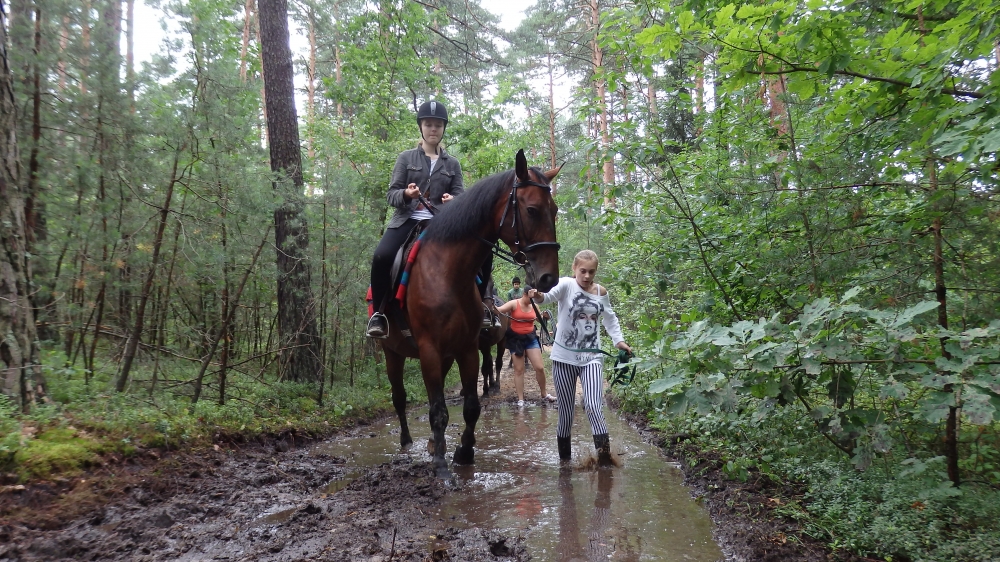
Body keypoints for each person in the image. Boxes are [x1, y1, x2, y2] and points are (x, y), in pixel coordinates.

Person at [366, 101, 492, 337]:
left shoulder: (452, 163)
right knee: (381, 256)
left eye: (438, 125)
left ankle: (484, 305)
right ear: (421, 127)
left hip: (442, 223)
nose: (433, 129)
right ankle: (379, 314)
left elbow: (461, 196)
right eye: (428, 124)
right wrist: (407, 194)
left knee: (484, 252)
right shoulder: (405, 158)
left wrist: (454, 201)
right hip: (407, 220)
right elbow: (391, 195)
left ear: (443, 128)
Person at [531, 250, 632, 465]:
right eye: (583, 271)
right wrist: (537, 295)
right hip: (563, 359)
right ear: (574, 268)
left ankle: (605, 462)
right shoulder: (566, 285)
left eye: (591, 272)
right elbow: (547, 297)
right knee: (566, 413)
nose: (586, 276)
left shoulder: (601, 292)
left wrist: (619, 341)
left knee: (594, 406)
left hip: (592, 358)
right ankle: (565, 465)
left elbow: (610, 319)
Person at [496, 286, 557, 407]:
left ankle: (544, 394)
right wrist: (491, 305)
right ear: (524, 294)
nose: (533, 300)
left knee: (539, 367)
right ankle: (521, 399)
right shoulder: (514, 303)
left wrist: (544, 316)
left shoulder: (534, 305)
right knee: (519, 370)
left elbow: (539, 319)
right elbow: (499, 310)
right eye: (531, 297)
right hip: (516, 340)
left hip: (530, 338)